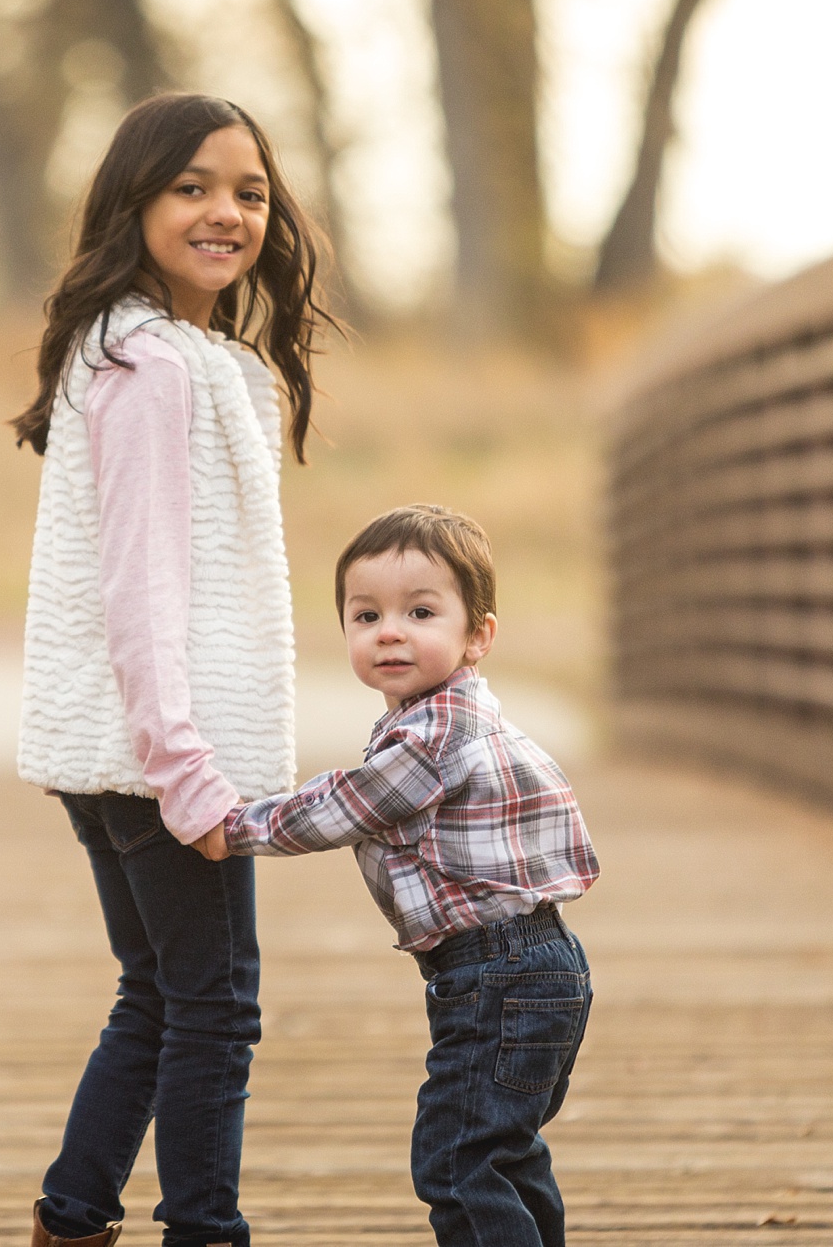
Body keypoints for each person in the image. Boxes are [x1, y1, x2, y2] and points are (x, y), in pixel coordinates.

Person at [13, 93, 335, 1247]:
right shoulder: (151, 368)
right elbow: (139, 588)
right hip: (158, 759)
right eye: (191, 187)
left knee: (157, 995)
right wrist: (188, 769)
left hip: (113, 752)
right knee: (217, 1010)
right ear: (134, 204)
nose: (225, 213)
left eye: (247, 192)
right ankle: (205, 1231)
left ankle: (73, 1216)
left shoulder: (166, 356)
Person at [203, 505, 600, 1247]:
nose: (389, 630)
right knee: (500, 1149)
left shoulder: (433, 735)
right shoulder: (437, 715)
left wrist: (229, 827)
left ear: (477, 634)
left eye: (420, 611)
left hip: (500, 971)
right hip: (526, 966)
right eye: (366, 614)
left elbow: (349, 804)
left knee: (457, 1159)